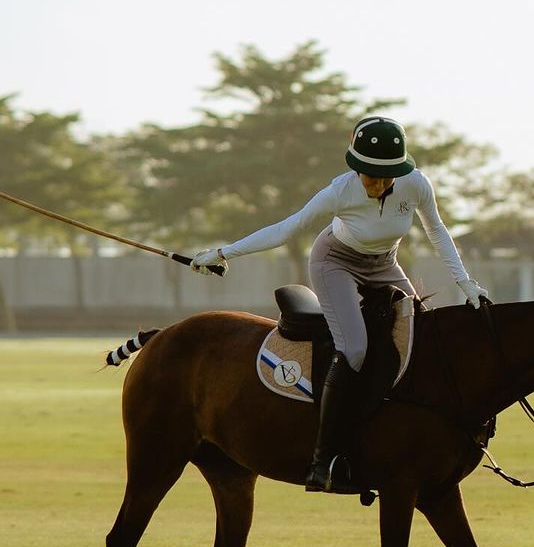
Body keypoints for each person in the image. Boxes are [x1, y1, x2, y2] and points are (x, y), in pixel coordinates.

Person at [191, 115, 488, 491]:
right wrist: (222, 252)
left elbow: (437, 231)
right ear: (356, 168)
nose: (378, 184)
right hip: (336, 263)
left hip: (385, 265)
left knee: (422, 337)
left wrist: (467, 284)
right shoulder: (339, 191)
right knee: (356, 348)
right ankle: (323, 457)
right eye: (369, 175)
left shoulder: (416, 185)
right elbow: (286, 229)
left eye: (387, 175)